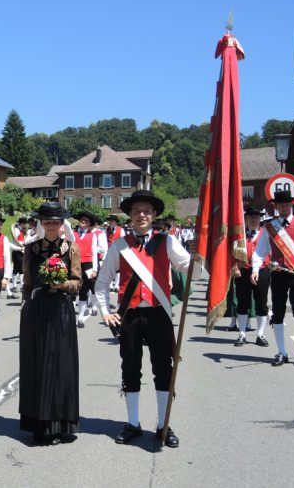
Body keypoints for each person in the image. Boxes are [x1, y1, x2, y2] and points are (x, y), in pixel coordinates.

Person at [95, 190, 199, 448]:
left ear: (154, 216)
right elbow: (102, 281)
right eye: (136, 211)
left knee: (163, 369)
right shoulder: (119, 245)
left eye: (147, 211)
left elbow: (193, 271)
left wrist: (201, 256)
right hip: (129, 315)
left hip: (158, 314)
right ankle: (133, 423)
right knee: (130, 368)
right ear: (129, 216)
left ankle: (164, 424)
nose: (142, 215)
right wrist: (105, 311)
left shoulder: (167, 242)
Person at [19, 202, 82, 445]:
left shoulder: (71, 249)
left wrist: (61, 284)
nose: (52, 226)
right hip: (36, 309)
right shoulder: (31, 249)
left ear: (61, 224)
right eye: (47, 222)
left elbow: (78, 282)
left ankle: (58, 424)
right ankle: (37, 424)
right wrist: (25, 307)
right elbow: (26, 282)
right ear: (41, 224)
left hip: (60, 310)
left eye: (56, 222)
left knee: (59, 366)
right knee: (35, 364)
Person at [251, 190, 294, 367]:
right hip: (279, 275)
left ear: (291, 205)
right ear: (276, 206)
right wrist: (255, 269)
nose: (284, 207)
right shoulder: (269, 227)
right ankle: (282, 352)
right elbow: (260, 251)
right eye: (281, 205)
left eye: (287, 204)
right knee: (279, 312)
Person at [233, 206, 270, 348]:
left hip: (262, 271)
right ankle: (242, 334)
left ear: (260, 219)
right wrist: (235, 267)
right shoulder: (240, 235)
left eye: (256, 218)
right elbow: (233, 252)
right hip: (243, 271)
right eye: (250, 218)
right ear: (246, 219)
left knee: (261, 303)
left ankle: (260, 335)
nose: (254, 220)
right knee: (243, 302)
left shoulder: (265, 233)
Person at [73, 211, 98, 328]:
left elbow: (94, 253)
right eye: (82, 220)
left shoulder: (92, 236)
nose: (83, 222)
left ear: (89, 224)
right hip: (75, 264)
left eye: (86, 221)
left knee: (84, 290)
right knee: (73, 289)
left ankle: (80, 318)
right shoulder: (73, 234)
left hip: (87, 265)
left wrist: (95, 269)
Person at [106, 215, 126, 293]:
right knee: (110, 268)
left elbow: (123, 241)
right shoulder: (106, 230)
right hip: (109, 251)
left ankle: (117, 285)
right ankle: (110, 285)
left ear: (116, 222)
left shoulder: (120, 230)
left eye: (112, 221)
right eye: (110, 221)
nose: (110, 222)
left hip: (118, 251)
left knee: (118, 269)